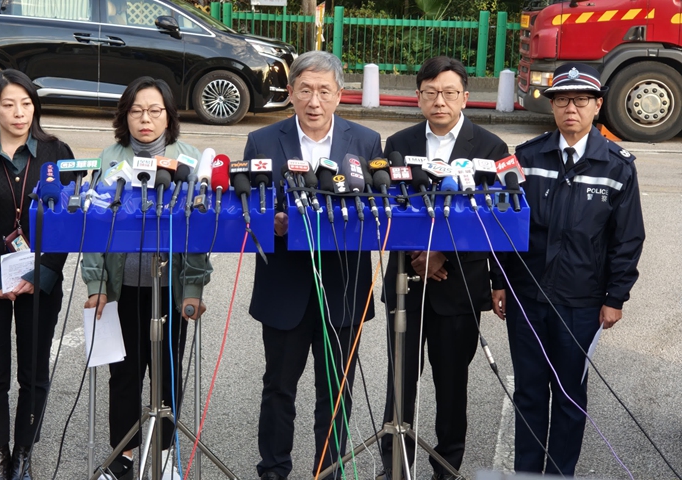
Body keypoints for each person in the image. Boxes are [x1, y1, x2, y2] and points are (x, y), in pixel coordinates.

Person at [491, 63, 645, 475]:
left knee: (570, 397)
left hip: (581, 302)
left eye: (580, 100)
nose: (570, 108)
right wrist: (499, 281)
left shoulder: (617, 165)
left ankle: (560, 473)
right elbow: (506, 224)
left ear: (597, 106)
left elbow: (627, 239)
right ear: (552, 107)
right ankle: (526, 472)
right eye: (561, 100)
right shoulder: (526, 156)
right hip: (526, 297)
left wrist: (615, 298)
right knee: (528, 393)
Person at [243, 50, 382, 480]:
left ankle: (330, 471)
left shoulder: (365, 143)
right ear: (291, 93)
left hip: (343, 288)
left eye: (324, 91)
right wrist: (273, 223)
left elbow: (376, 207)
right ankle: (274, 470)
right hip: (284, 287)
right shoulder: (264, 142)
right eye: (305, 90)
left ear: (340, 95)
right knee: (278, 389)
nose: (314, 101)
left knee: (336, 394)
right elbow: (249, 207)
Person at [377, 56, 509, 480]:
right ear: (418, 97)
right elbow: (390, 208)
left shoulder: (489, 148)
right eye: (431, 92)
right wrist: (419, 252)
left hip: (459, 286)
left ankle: (446, 468)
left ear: (465, 98)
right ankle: (395, 467)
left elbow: (491, 220)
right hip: (406, 284)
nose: (440, 101)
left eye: (449, 92)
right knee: (400, 385)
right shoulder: (397, 143)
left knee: (452, 388)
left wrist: (442, 254)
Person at [81, 76, 212, 480]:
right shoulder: (109, 158)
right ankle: (121, 458)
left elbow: (197, 235)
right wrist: (97, 285)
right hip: (122, 291)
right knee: (123, 377)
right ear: (126, 114)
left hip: (168, 291)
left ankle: (165, 454)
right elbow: (93, 228)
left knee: (166, 375)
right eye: (137, 110)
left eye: (155, 111)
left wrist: (192, 288)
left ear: (168, 116)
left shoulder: (188, 160)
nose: (145, 119)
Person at [0, 69, 75, 480]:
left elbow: (70, 219)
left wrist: (41, 273)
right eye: (8, 104)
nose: (19, 112)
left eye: (26, 103)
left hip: (39, 281)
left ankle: (24, 450)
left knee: (35, 371)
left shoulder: (57, 152)